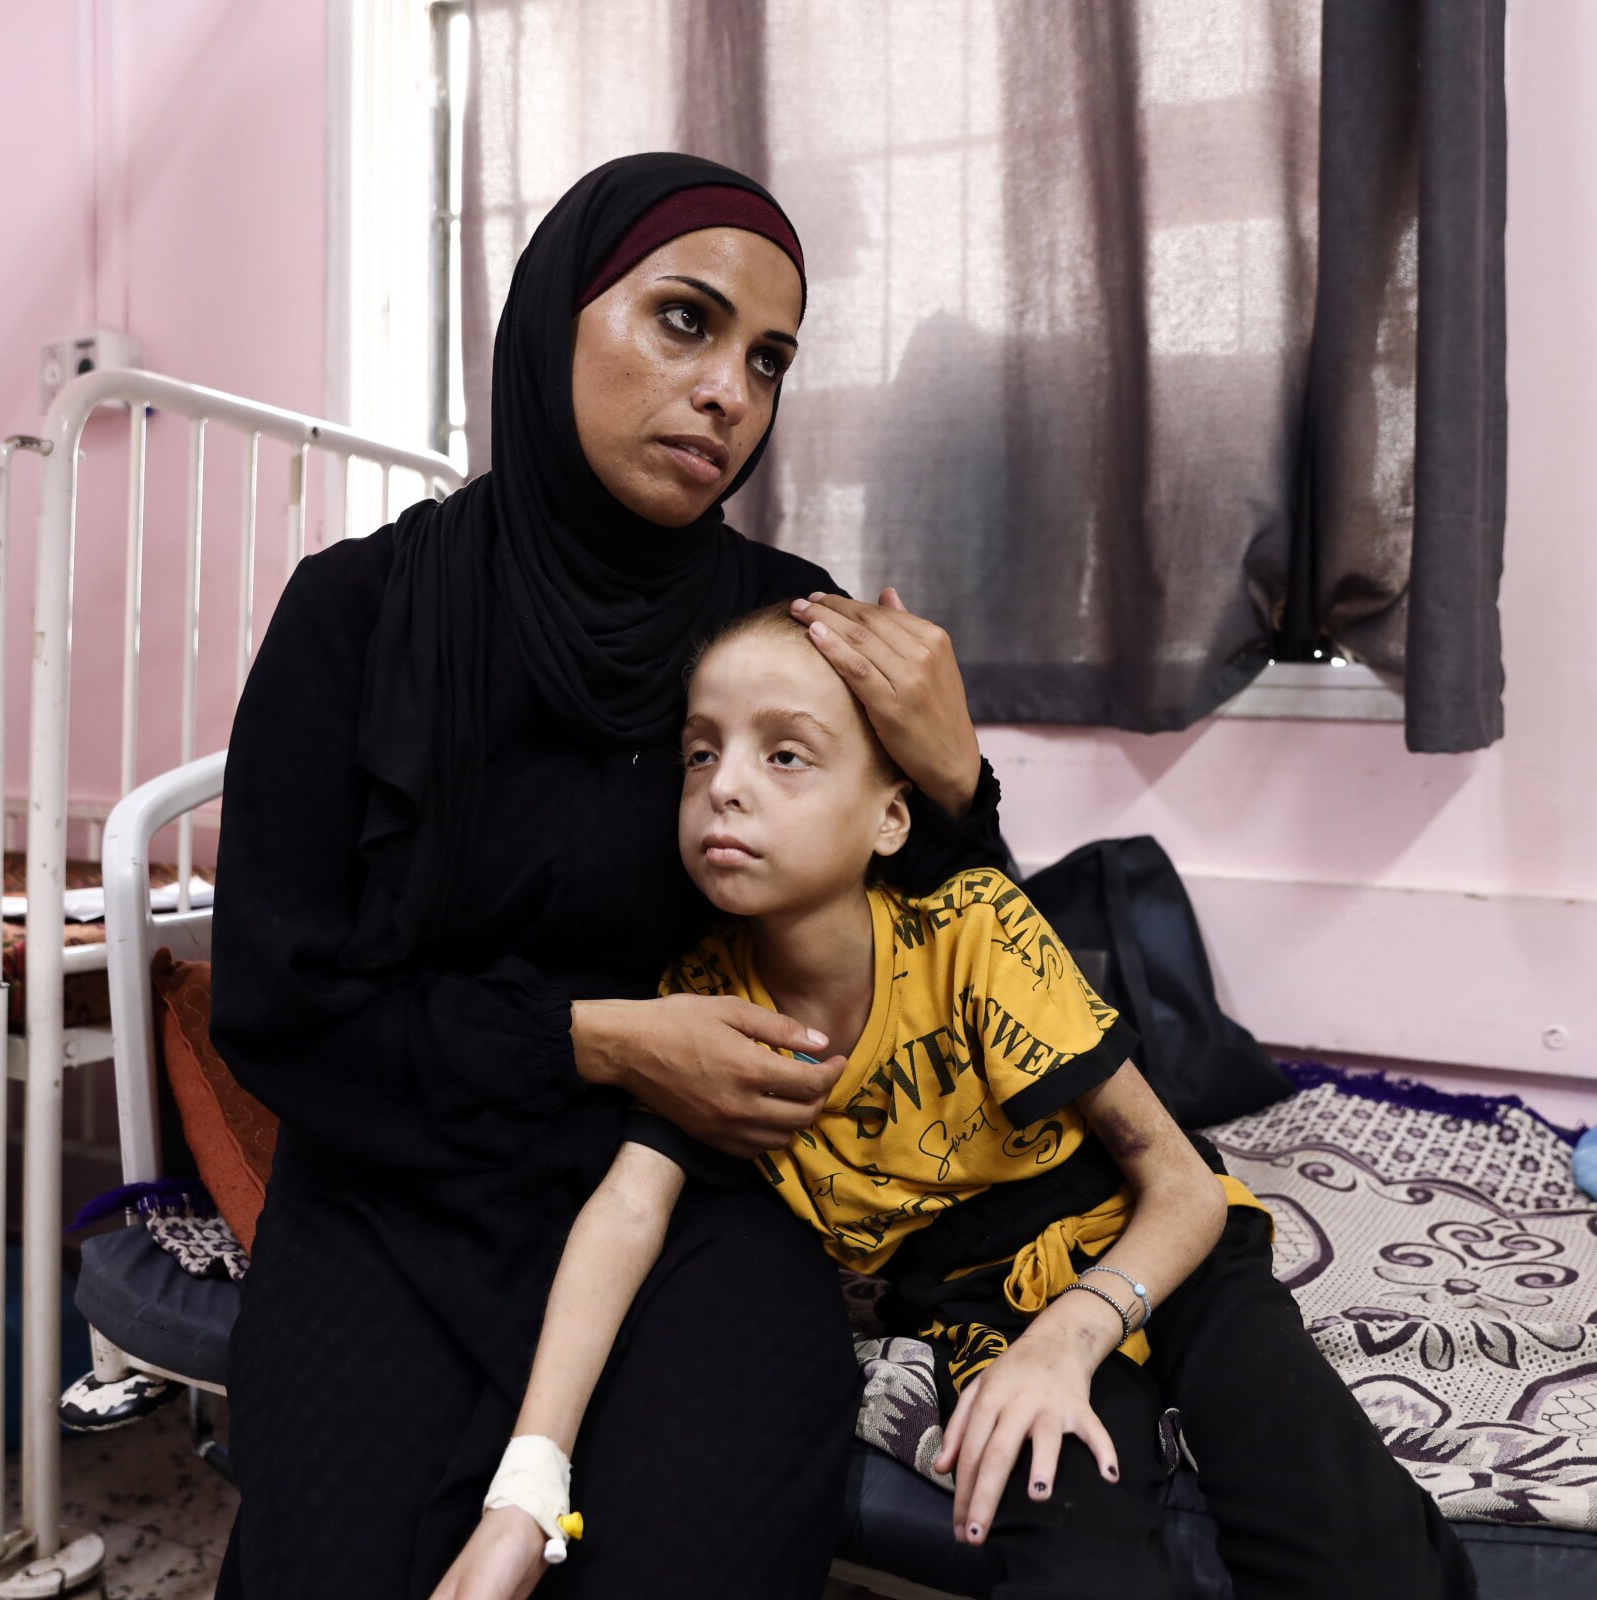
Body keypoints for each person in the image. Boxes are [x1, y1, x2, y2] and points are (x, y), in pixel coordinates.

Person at [210, 153, 1008, 1599]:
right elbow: (274, 1006)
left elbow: (943, 968)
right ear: (554, 317)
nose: (729, 396)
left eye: (768, 361)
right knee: (344, 1553)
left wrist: (955, 780)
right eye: (685, 323)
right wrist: (600, 1041)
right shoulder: (359, 615)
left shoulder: (782, 634)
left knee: (680, 1553)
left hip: (695, 1193)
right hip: (401, 1182)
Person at [434, 605, 1477, 1600]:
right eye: (701, 753)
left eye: (783, 753)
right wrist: (525, 1491)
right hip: (982, 1315)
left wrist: (1070, 1338)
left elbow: (1184, 1187)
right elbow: (625, 1212)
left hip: (1161, 1249)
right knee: (1083, 1574)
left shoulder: (973, 929)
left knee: (1359, 1553)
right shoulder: (701, 1008)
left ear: (891, 816)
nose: (725, 789)